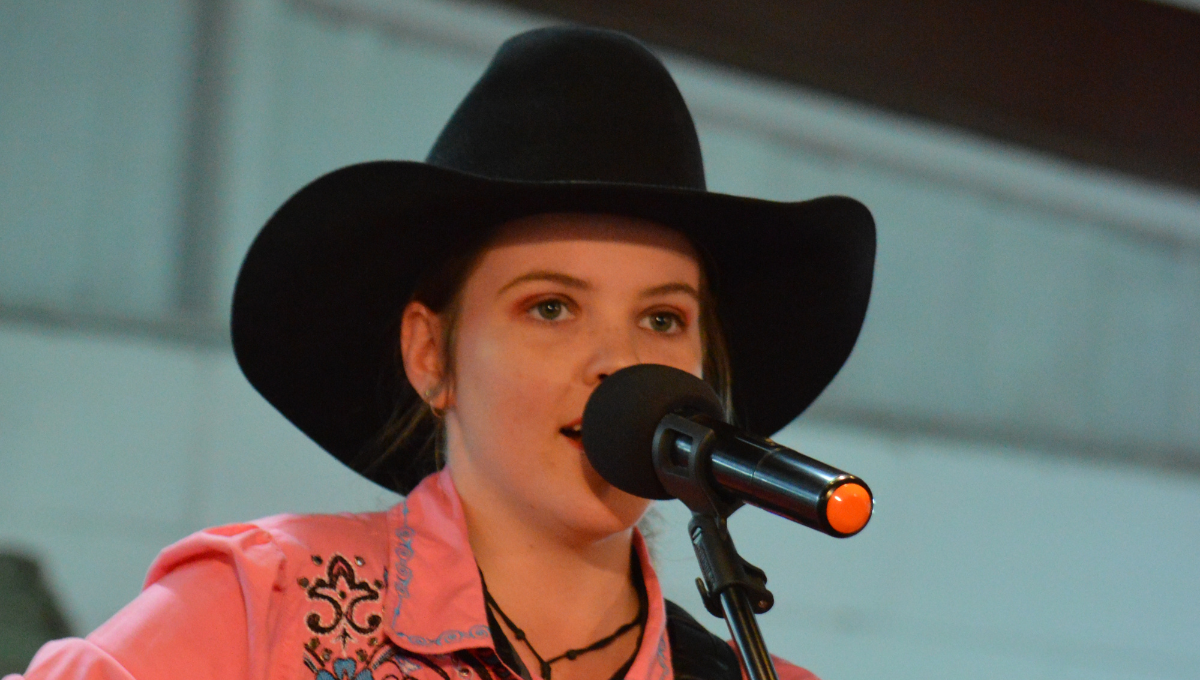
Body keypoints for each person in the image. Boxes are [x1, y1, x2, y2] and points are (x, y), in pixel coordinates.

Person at [10, 26, 874, 680]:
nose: (620, 363)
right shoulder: (258, 608)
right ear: (431, 355)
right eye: (550, 306)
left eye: (661, 320)